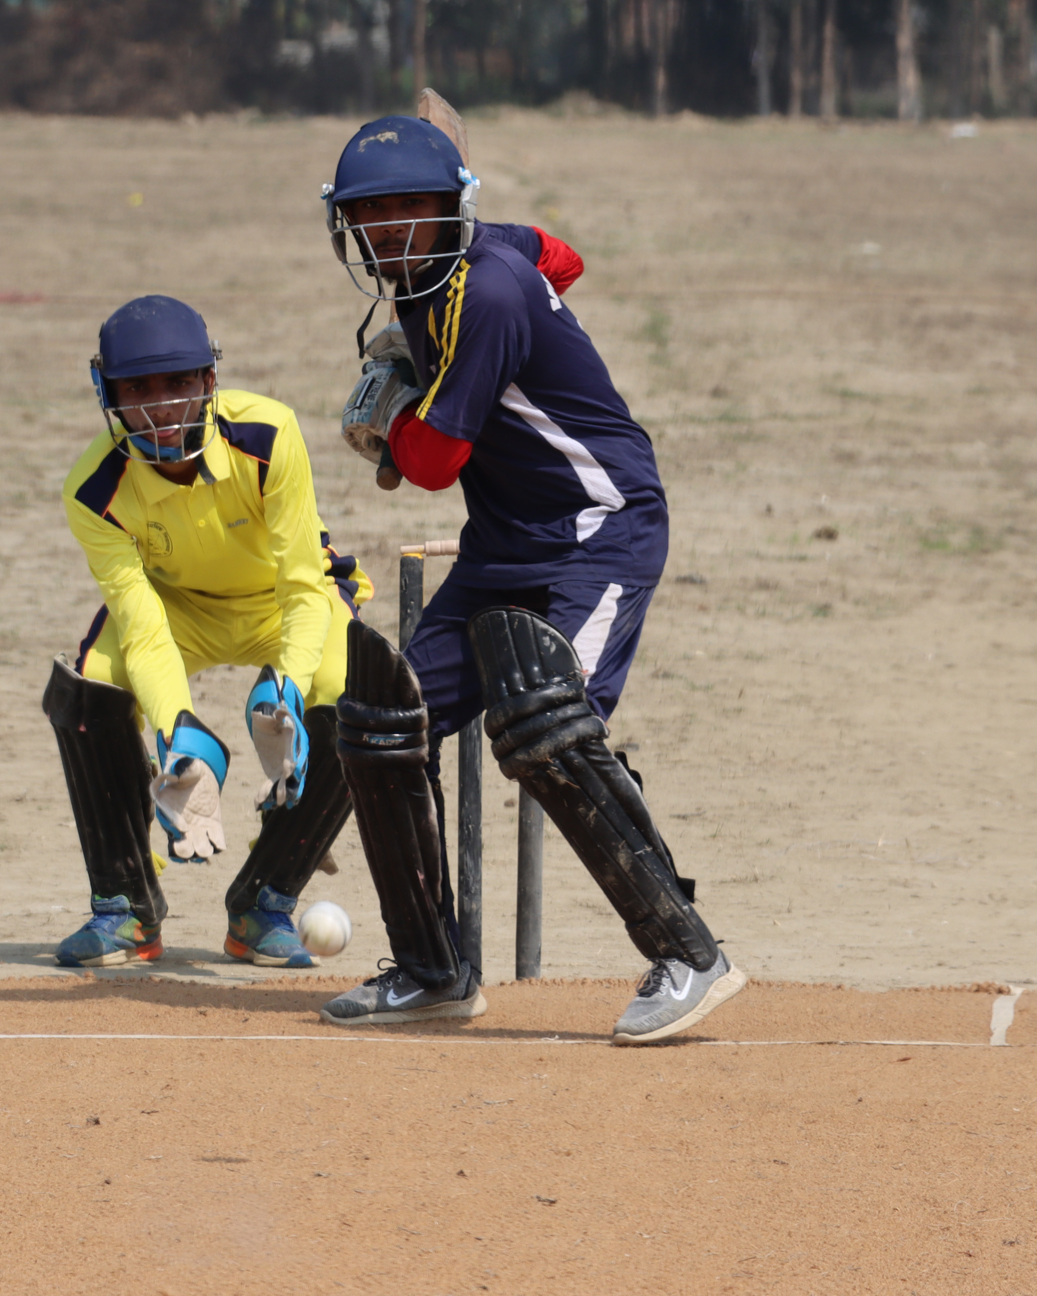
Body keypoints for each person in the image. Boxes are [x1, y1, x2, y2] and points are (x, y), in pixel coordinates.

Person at [315, 113, 742, 1043]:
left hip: (599, 529)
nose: (390, 229)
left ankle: (687, 952)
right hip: (505, 538)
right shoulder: (484, 256)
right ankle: (433, 970)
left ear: (448, 207)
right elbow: (566, 255)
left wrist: (390, 412)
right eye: (371, 212)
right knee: (386, 721)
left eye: (409, 207)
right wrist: (419, 360)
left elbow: (427, 464)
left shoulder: (492, 296)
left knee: (545, 725)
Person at [46, 295, 371, 968]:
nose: (161, 406)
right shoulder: (92, 489)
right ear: (108, 394)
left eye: (178, 383)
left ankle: (264, 902)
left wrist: (287, 688)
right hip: (176, 611)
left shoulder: (270, 434)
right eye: (137, 389)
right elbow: (140, 624)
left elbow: (305, 586)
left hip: (281, 601)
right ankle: (125, 909)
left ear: (209, 382)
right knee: (90, 690)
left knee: (357, 692)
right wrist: (177, 732)